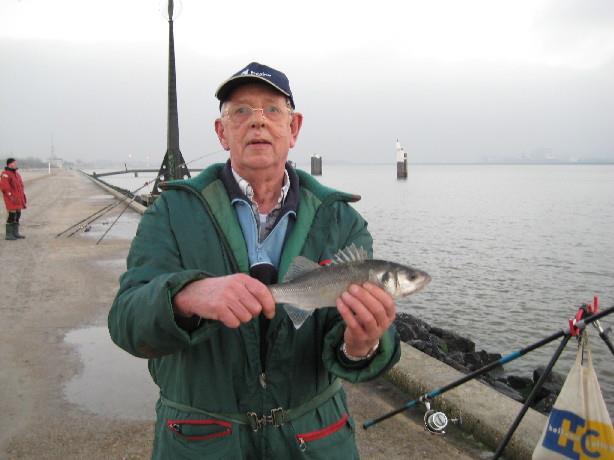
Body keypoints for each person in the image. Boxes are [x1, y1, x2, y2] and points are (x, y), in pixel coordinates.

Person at [109, 62, 401, 459]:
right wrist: (186, 295)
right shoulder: (171, 211)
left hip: (314, 441)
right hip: (200, 442)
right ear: (221, 132)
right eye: (241, 111)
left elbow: (345, 341)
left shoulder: (341, 219)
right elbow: (126, 322)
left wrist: (362, 345)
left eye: (272, 110)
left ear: (294, 128)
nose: (257, 122)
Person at [1, 158, 27, 241]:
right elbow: (5, 188)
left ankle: (15, 233)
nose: (16, 164)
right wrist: (11, 196)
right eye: (14, 163)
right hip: (11, 199)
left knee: (18, 214)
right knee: (11, 215)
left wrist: (23, 196)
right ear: (10, 164)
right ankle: (8, 235)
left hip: (18, 198)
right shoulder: (5, 174)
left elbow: (21, 186)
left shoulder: (17, 174)